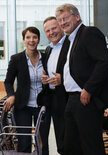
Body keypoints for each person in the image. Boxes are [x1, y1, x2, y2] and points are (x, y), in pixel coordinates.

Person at [56, 3, 108, 155]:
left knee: (90, 146)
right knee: (71, 146)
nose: (62, 23)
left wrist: (89, 88)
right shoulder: (72, 40)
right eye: (59, 20)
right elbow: (79, 68)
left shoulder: (89, 33)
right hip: (73, 99)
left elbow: (104, 62)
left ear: (77, 17)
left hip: (85, 99)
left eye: (65, 18)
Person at [3, 26, 45, 153]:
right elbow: (8, 81)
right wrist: (11, 95)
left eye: (34, 37)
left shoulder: (46, 57)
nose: (31, 40)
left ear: (38, 40)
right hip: (23, 105)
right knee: (24, 141)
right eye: (28, 37)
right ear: (23, 40)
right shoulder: (16, 59)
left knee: (43, 141)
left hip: (42, 105)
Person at [39, 16, 70, 155]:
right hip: (53, 98)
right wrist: (45, 79)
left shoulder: (71, 44)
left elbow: (81, 69)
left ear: (61, 27)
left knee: (69, 137)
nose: (51, 32)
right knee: (60, 137)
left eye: (54, 28)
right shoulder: (48, 49)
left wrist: (62, 79)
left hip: (68, 98)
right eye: (47, 30)